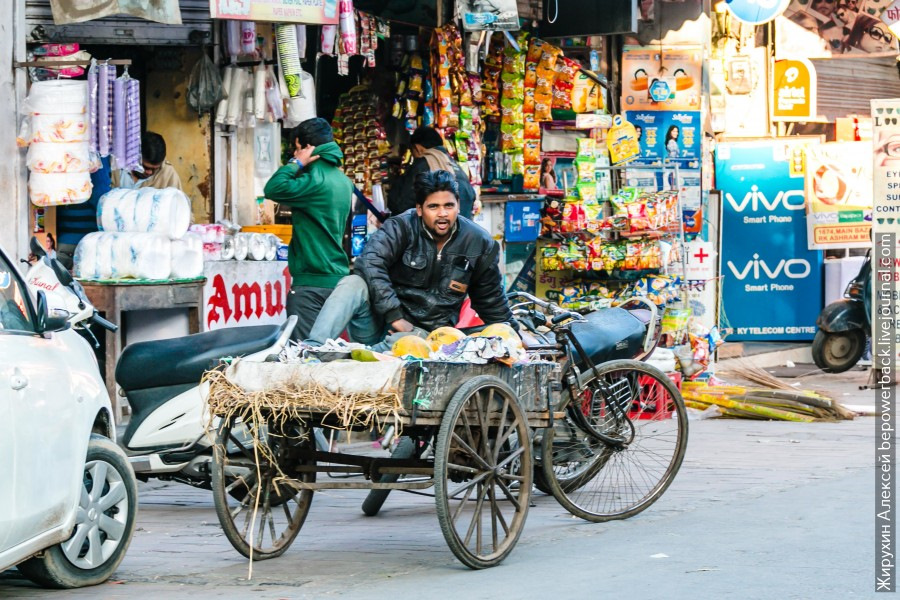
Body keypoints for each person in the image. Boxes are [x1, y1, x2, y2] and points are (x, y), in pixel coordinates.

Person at [306, 170, 513, 349]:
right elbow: (369, 263)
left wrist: (515, 336)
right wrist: (395, 317)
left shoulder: (478, 242)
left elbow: (491, 301)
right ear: (420, 209)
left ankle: (363, 362)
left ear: (458, 206)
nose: (442, 214)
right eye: (433, 207)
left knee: (409, 341)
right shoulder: (401, 227)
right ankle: (313, 350)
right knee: (353, 283)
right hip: (379, 323)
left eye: (449, 206)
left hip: (425, 335)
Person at [263, 118, 353, 340]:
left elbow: (273, 188)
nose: (295, 153)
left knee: (305, 358)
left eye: (296, 148)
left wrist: (297, 163)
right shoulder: (342, 180)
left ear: (306, 148)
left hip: (311, 284)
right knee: (330, 354)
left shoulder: (314, 180)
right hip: (336, 279)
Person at [388, 126, 477, 219]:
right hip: (463, 230)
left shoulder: (421, 166)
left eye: (413, 152)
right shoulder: (456, 167)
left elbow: (399, 205)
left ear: (418, 148)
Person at [56, 156, 112, 270]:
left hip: (64, 239)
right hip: (83, 242)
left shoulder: (64, 150)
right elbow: (100, 198)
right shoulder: (98, 153)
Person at [111, 131, 183, 190]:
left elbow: (178, 205)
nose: (149, 172)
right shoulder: (115, 165)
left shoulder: (169, 176)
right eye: (145, 167)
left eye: (155, 169)